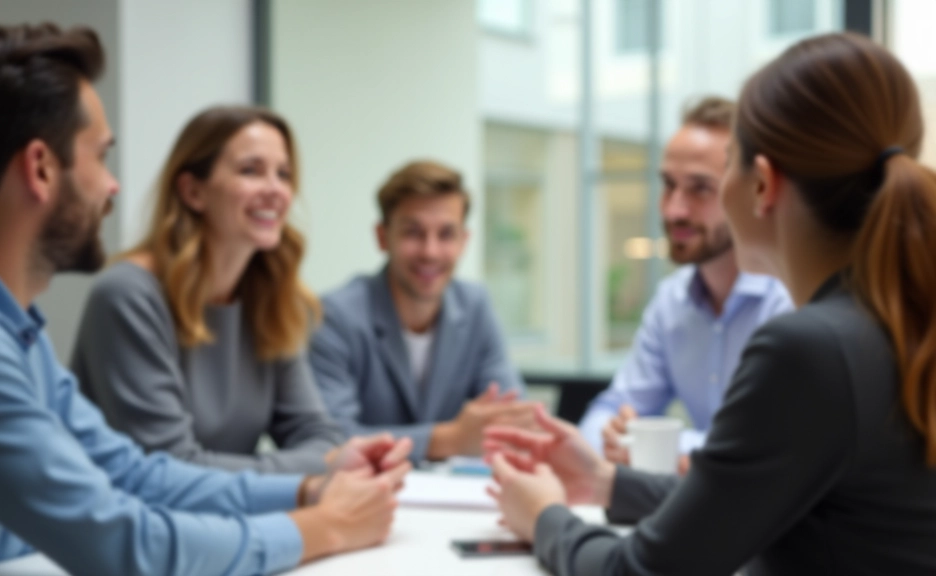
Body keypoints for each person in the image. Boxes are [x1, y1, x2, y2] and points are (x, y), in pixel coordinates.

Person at [0, 23, 410, 576]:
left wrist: (311, 490)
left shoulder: (5, 322)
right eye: (101, 158)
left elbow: (134, 475)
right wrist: (324, 527)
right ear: (41, 168)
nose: (113, 185)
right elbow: (119, 543)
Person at [483, 32, 936, 575]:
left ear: (762, 184)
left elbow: (641, 572)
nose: (677, 207)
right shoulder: (890, 321)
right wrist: (606, 483)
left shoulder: (809, 349)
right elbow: (760, 500)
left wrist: (544, 516)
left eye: (716, 176)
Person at [72, 106, 346, 474]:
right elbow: (169, 469)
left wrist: (318, 464)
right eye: (251, 171)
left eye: (283, 174)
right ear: (192, 191)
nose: (275, 190)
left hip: (226, 519)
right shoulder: (128, 295)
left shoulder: (270, 298)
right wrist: (308, 472)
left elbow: (320, 436)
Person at [578, 97, 791, 469]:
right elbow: (604, 417)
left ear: (754, 189)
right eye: (668, 185)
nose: (674, 209)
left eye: (700, 188)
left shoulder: (788, 302)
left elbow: (769, 446)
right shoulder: (671, 301)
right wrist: (617, 435)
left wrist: (657, 446)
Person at [309, 160, 530, 463]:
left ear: (464, 241)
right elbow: (330, 439)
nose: (431, 251)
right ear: (383, 237)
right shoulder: (333, 317)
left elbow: (511, 417)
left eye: (446, 234)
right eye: (413, 233)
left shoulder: (475, 305)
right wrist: (449, 439)